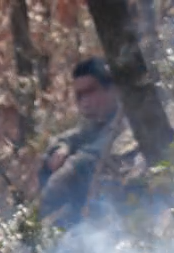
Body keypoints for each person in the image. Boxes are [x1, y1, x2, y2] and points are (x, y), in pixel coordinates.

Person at [37, 57, 147, 229]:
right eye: (79, 96)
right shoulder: (97, 122)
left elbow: (92, 157)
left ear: (112, 89)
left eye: (90, 92)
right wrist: (61, 148)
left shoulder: (130, 120)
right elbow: (71, 137)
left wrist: (37, 214)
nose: (84, 102)